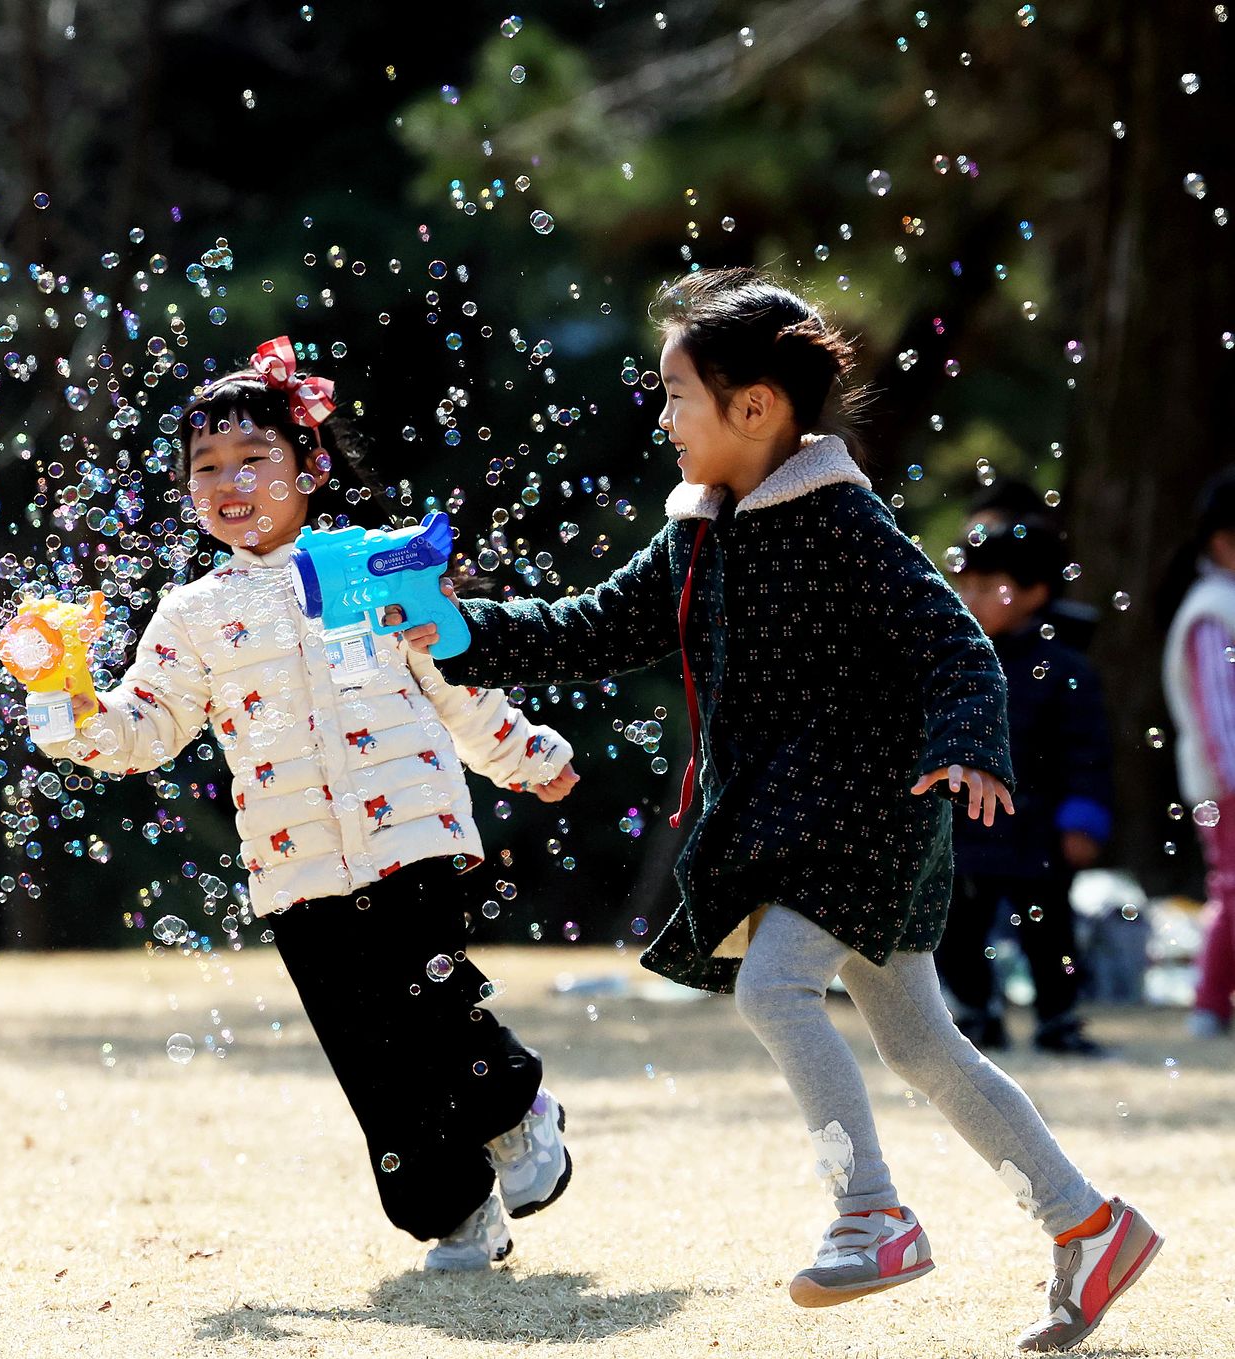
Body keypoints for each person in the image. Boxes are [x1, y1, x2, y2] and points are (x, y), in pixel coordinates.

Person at [404, 270, 1159, 1352]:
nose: (660, 418)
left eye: (675, 395)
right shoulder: (696, 533)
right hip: (783, 820)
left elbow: (953, 645)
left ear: (754, 408)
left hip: (868, 811)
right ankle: (1086, 1225)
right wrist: (457, 625)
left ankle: (872, 1215)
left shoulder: (842, 519)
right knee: (926, 1047)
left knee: (774, 985)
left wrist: (965, 749)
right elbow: (588, 626)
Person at [15, 338, 579, 1272]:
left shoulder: (375, 564)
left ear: (310, 466)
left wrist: (525, 755)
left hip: (414, 835)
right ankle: (452, 1212)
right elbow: (145, 725)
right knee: (370, 1055)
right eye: (206, 468)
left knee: (428, 998)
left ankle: (514, 1108)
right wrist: (68, 706)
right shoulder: (190, 614)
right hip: (296, 869)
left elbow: (456, 681)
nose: (229, 483)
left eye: (254, 459)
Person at [940, 506, 1114, 1054]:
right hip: (965, 828)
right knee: (958, 928)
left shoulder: (1066, 668)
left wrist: (1082, 818)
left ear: (1037, 592)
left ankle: (1058, 1018)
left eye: (992, 586)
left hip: (1037, 829)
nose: (972, 597)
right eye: (963, 584)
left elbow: (1086, 752)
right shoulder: (952, 660)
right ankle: (972, 1013)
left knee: (1049, 931)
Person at [1157, 470, 1235, 1038]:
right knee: (1231, 890)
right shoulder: (1213, 607)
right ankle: (1210, 1004)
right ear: (1221, 540)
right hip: (1225, 783)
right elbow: (1220, 713)